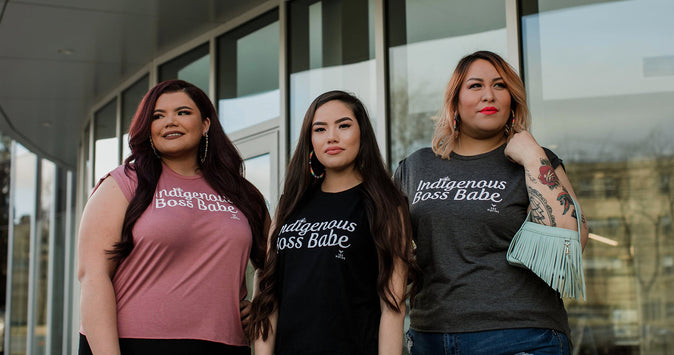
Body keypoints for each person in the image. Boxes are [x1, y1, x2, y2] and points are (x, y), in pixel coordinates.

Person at [394, 51, 589, 354]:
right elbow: (393, 257)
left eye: (500, 86)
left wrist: (531, 155)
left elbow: (571, 243)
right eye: (475, 86)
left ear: (512, 100)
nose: (489, 95)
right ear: (454, 101)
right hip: (431, 336)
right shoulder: (415, 167)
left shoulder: (539, 161)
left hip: (522, 335)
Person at [77, 79, 268, 355]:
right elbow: (93, 276)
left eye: (182, 112)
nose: (170, 122)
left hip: (224, 344)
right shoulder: (124, 183)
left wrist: (260, 307)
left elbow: (275, 265)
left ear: (205, 125)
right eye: (158, 116)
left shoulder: (242, 194)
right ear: (149, 128)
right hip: (134, 345)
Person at [249, 90, 416, 354]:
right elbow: (268, 296)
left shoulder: (387, 205)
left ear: (362, 134)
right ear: (310, 140)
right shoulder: (289, 204)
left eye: (344, 126)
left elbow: (393, 308)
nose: (332, 137)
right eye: (320, 129)